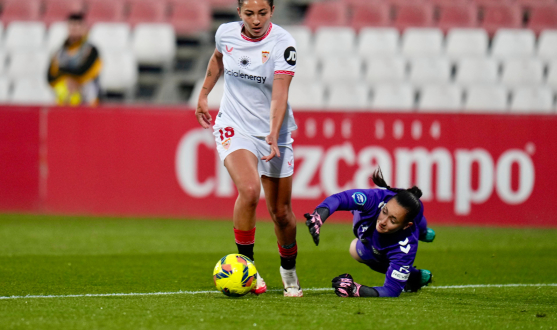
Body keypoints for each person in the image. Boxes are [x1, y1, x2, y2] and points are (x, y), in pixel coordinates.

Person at [195, 0, 302, 297]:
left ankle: (288, 269)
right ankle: (249, 271)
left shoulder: (283, 43)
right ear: (239, 13)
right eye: (249, 13)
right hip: (234, 125)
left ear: (272, 12)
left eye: (263, 13)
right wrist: (204, 95)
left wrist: (272, 130)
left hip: (273, 131)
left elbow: (280, 94)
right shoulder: (225, 34)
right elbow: (217, 59)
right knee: (250, 190)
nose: (256, 20)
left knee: (281, 213)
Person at [304, 168, 436, 298]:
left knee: (421, 225)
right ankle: (415, 275)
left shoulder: (406, 245)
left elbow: (391, 291)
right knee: (356, 250)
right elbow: (339, 198)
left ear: (406, 225)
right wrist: (319, 216)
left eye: (393, 220)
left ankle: (423, 234)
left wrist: (356, 290)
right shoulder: (373, 200)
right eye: (385, 212)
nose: (383, 221)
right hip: (375, 234)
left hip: (410, 226)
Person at [48, 13, 102, 106]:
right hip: (65, 98)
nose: (74, 28)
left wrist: (70, 78)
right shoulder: (58, 52)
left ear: (84, 27)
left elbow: (86, 71)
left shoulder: (91, 50)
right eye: (72, 24)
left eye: (78, 25)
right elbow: (50, 77)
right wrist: (67, 80)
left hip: (87, 98)